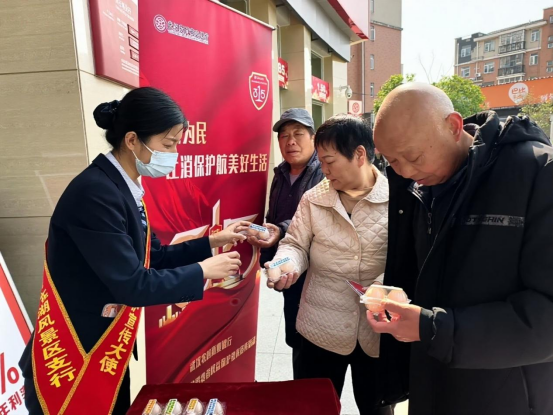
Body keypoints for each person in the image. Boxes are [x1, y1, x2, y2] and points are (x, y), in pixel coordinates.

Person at [19, 87, 247, 415]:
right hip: (75, 357)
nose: (175, 153)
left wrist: (211, 241)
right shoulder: (96, 194)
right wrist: (202, 272)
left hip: (106, 349)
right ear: (132, 140)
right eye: (168, 144)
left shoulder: (124, 188)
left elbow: (155, 257)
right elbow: (132, 284)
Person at [368, 83, 553, 415]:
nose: (405, 171)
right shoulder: (419, 184)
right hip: (433, 384)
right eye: (391, 161)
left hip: (507, 395)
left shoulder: (538, 173)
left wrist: (433, 328)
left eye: (413, 157)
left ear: (453, 126)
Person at [268, 115, 392, 415]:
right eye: (321, 161)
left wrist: (383, 285)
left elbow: (409, 258)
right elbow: (295, 244)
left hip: (376, 331)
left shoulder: (397, 199)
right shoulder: (314, 199)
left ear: (359, 155)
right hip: (320, 328)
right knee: (314, 406)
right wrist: (285, 264)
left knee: (377, 408)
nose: (323, 170)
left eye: (330, 161)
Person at [246, 108, 324, 377]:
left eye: (298, 134)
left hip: (316, 273)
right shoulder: (280, 173)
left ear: (313, 138)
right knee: (296, 337)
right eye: (284, 136)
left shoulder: (324, 173)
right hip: (286, 268)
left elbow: (316, 220)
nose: (290, 141)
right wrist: (264, 234)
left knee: (315, 345)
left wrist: (279, 230)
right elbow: (274, 217)